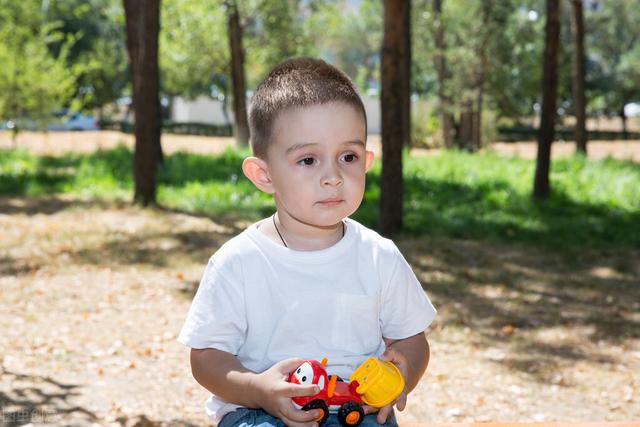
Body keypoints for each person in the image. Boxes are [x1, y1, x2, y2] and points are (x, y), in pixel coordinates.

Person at [178, 57, 436, 427]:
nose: (332, 176)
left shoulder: (379, 256)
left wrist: (404, 373)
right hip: (259, 412)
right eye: (308, 160)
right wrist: (257, 388)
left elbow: (411, 340)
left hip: (357, 411)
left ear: (367, 161)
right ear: (264, 174)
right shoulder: (238, 261)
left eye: (348, 156)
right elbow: (206, 357)